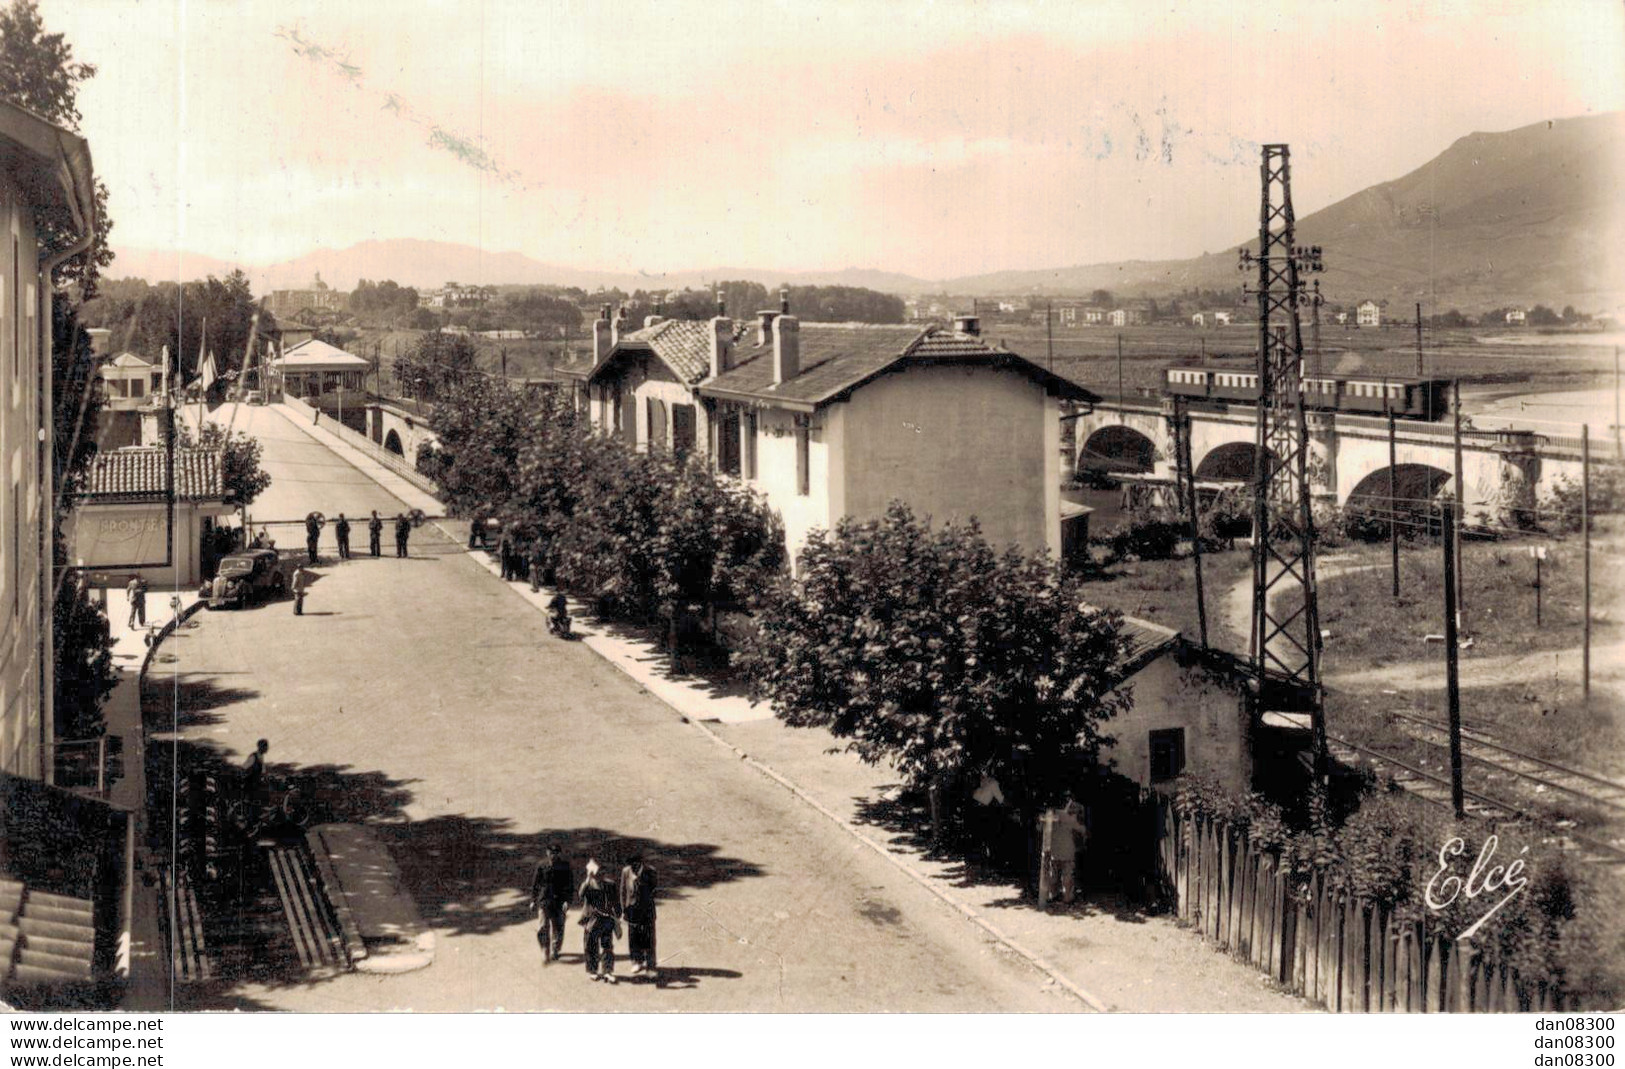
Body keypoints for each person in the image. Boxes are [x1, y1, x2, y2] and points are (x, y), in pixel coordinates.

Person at [1038, 798, 1087, 909]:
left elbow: (1041, 827)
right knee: (1067, 875)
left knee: (1053, 874)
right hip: (1068, 851)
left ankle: (1053, 894)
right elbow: (1082, 829)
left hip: (1054, 850)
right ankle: (1067, 897)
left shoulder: (1053, 815)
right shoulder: (1069, 819)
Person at [578, 858, 620, 983]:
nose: (598, 875)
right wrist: (587, 879)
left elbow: (616, 902)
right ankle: (593, 970)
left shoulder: (610, 885)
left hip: (606, 919)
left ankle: (608, 971)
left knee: (607, 946)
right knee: (590, 945)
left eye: (600, 872)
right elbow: (581, 894)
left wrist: (618, 915)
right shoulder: (588, 885)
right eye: (595, 873)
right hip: (591, 919)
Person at [530, 844, 574, 963]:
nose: (553, 855)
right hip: (544, 900)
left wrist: (567, 901)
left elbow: (570, 885)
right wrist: (533, 900)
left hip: (559, 902)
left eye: (556, 853)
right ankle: (545, 949)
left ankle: (555, 949)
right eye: (551, 853)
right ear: (547, 853)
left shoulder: (565, 866)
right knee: (543, 927)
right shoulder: (542, 865)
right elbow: (536, 884)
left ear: (559, 854)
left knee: (558, 927)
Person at [618, 854, 658, 977]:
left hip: (647, 910)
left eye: (635, 865)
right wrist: (623, 910)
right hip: (632, 910)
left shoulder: (650, 871)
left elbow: (653, 889)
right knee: (633, 936)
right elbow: (623, 891)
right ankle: (636, 961)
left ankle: (651, 966)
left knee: (649, 938)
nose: (633, 868)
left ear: (640, 863)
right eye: (631, 865)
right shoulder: (626, 871)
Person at [242, 739, 269, 806]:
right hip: (252, 783)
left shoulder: (261, 756)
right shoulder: (253, 756)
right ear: (261, 747)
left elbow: (263, 770)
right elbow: (244, 767)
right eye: (265, 746)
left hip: (257, 781)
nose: (267, 748)